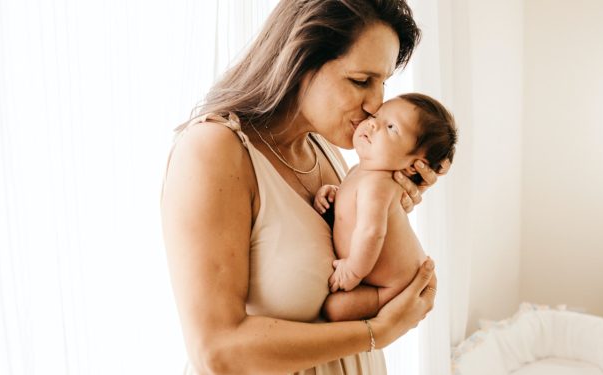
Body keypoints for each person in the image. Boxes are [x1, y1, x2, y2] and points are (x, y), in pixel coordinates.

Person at [160, 1, 447, 374]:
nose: (377, 105)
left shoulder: (323, 148)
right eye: (361, 81)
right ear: (299, 62)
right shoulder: (214, 150)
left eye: (383, 83)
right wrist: (380, 330)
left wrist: (393, 203)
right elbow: (217, 351)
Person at [313, 94, 457, 322]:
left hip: (396, 285)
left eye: (391, 127)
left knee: (335, 309)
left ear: (413, 166)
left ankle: (380, 299)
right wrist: (334, 194)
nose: (373, 123)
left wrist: (352, 271)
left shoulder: (379, 184)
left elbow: (371, 232)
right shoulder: (359, 171)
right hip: (386, 274)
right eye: (377, 115)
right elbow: (353, 206)